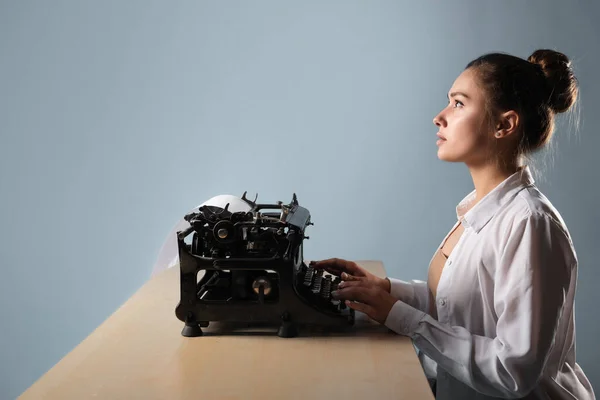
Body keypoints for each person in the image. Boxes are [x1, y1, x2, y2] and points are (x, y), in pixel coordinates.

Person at [310, 49, 595, 399]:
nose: (439, 117)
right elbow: (458, 308)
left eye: (459, 104)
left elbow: (513, 370)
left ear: (504, 124)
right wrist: (384, 290)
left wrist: (401, 317)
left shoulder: (530, 224)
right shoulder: (480, 208)